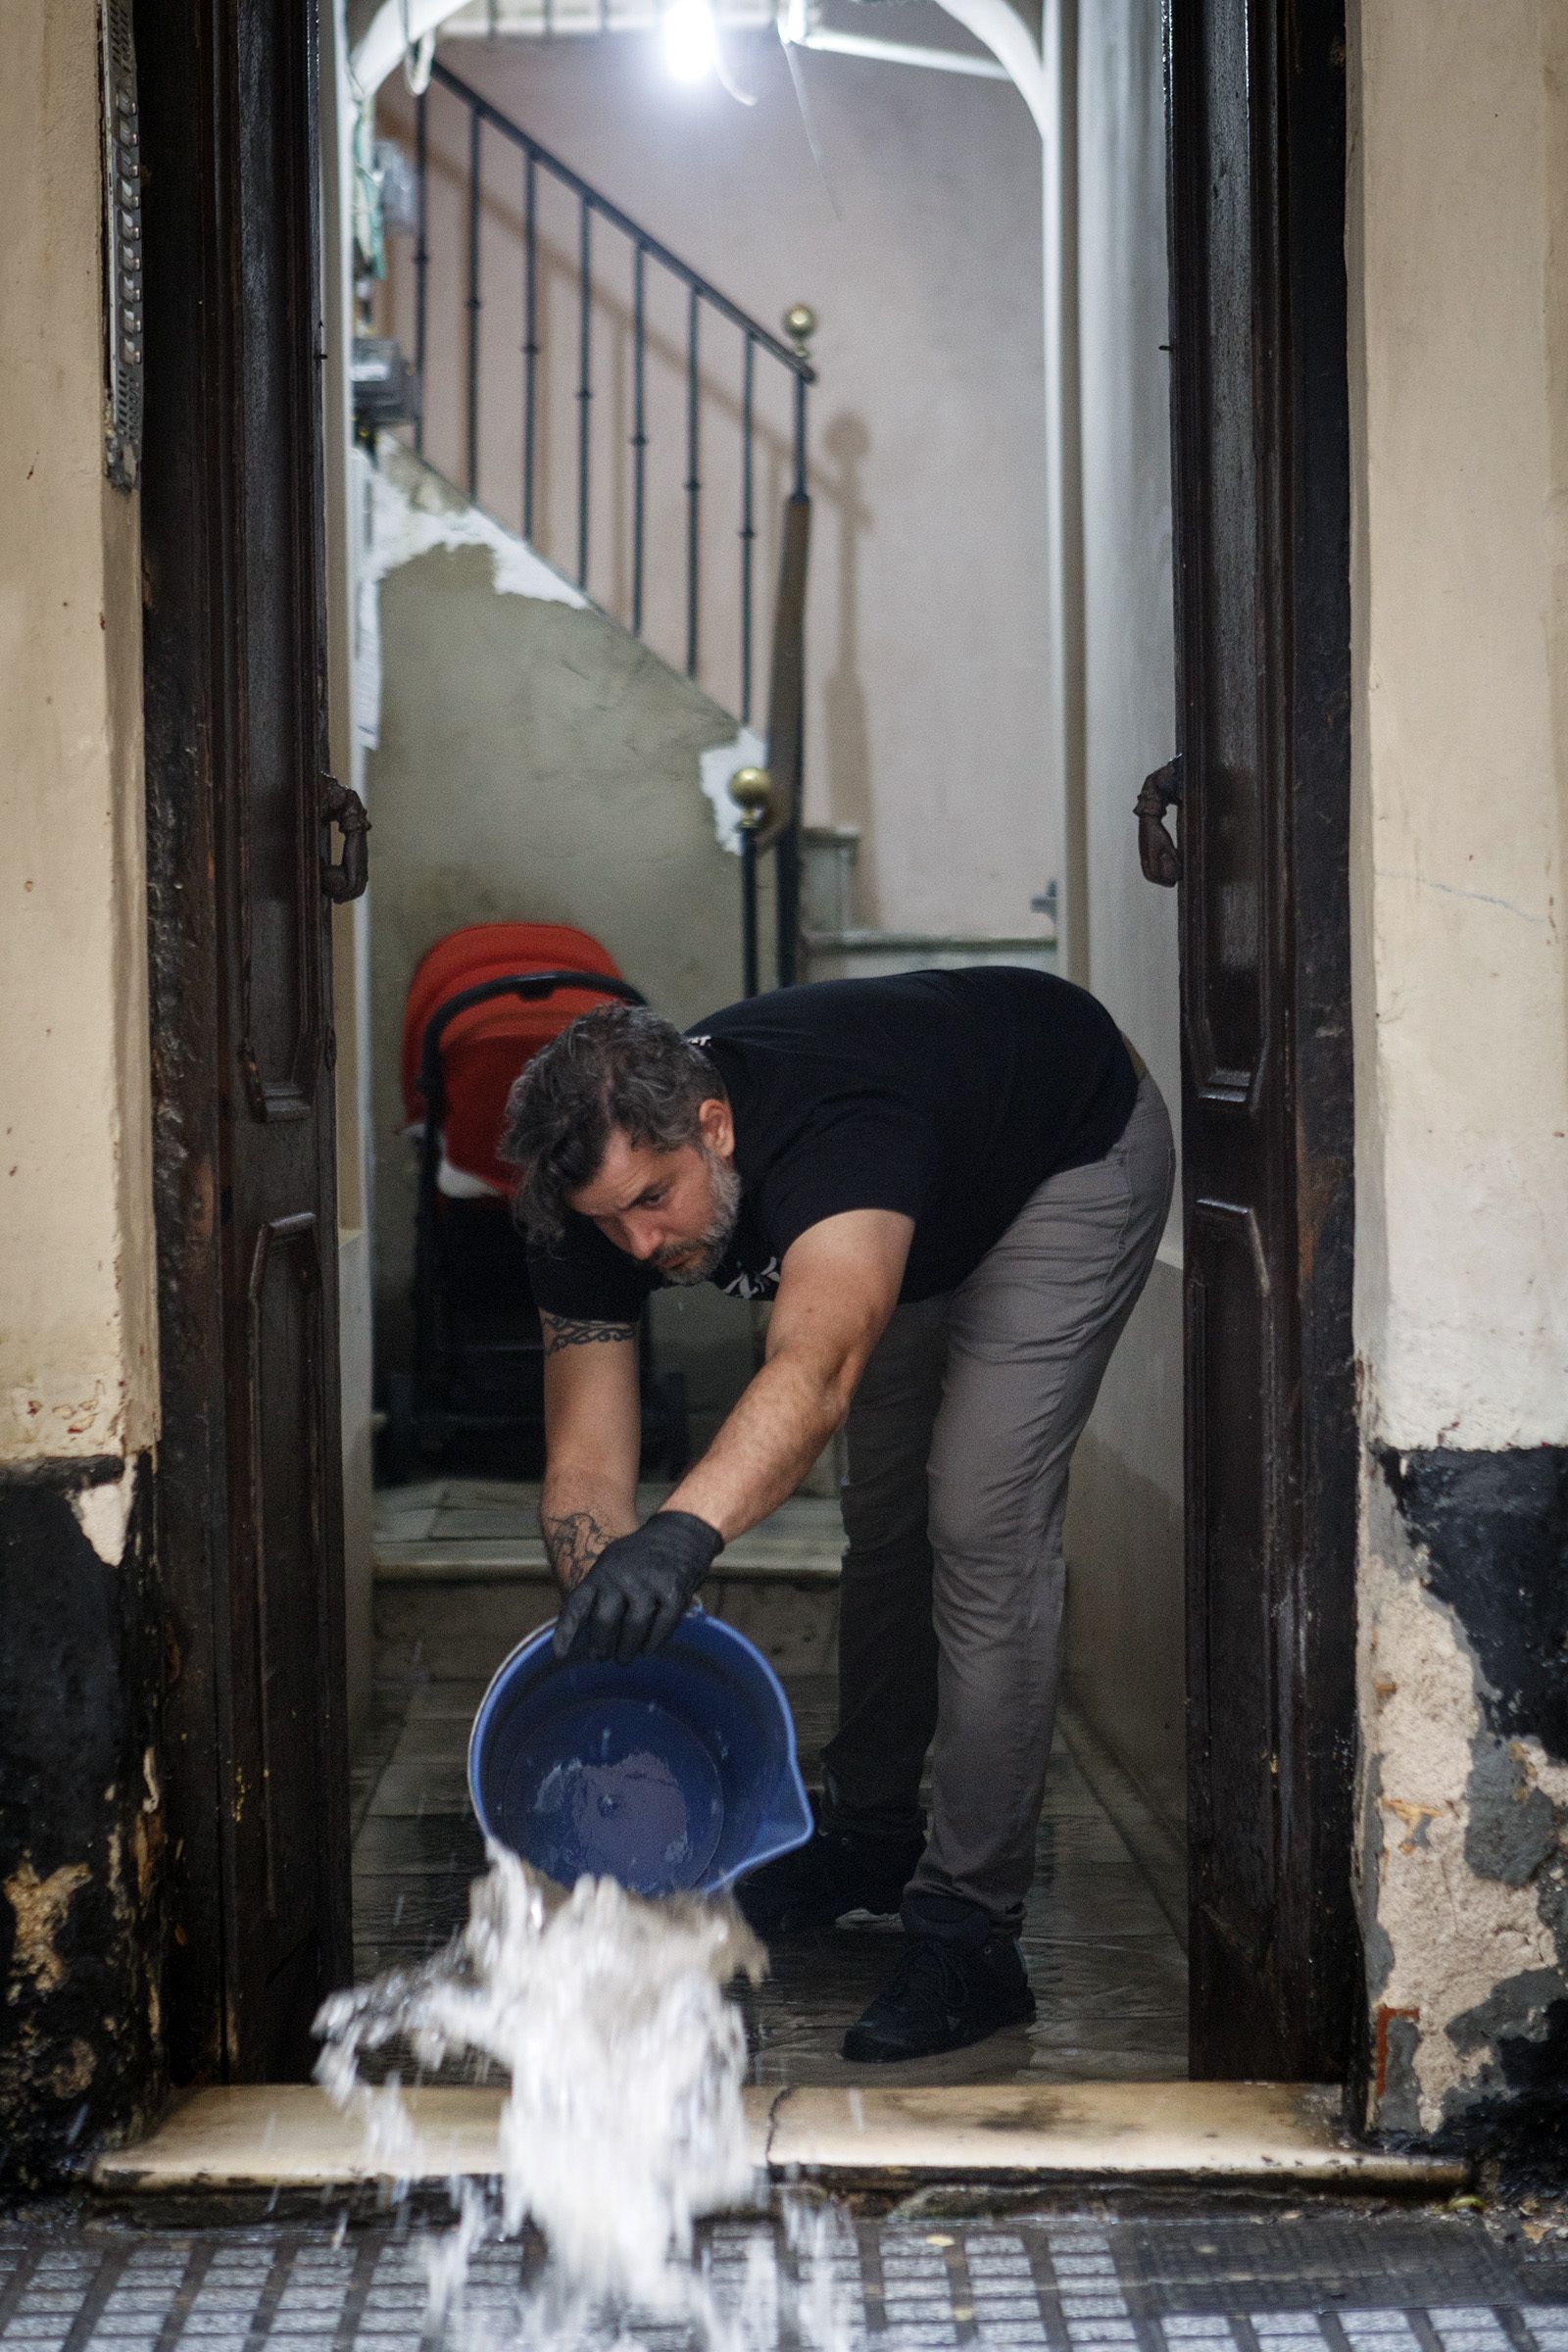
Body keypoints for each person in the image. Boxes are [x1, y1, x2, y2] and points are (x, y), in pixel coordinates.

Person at [500, 967, 1174, 2062]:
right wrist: (607, 1622)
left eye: (653, 1202)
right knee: (886, 1517)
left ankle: (970, 1931)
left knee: (978, 1520)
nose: (635, 1246)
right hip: (928, 1185)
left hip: (1065, 1150)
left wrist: (679, 1536)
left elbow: (814, 1373)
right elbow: (583, 1457)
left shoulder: (836, 1133)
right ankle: (869, 1834)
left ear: (713, 1129)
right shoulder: (586, 1209)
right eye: (604, 1221)